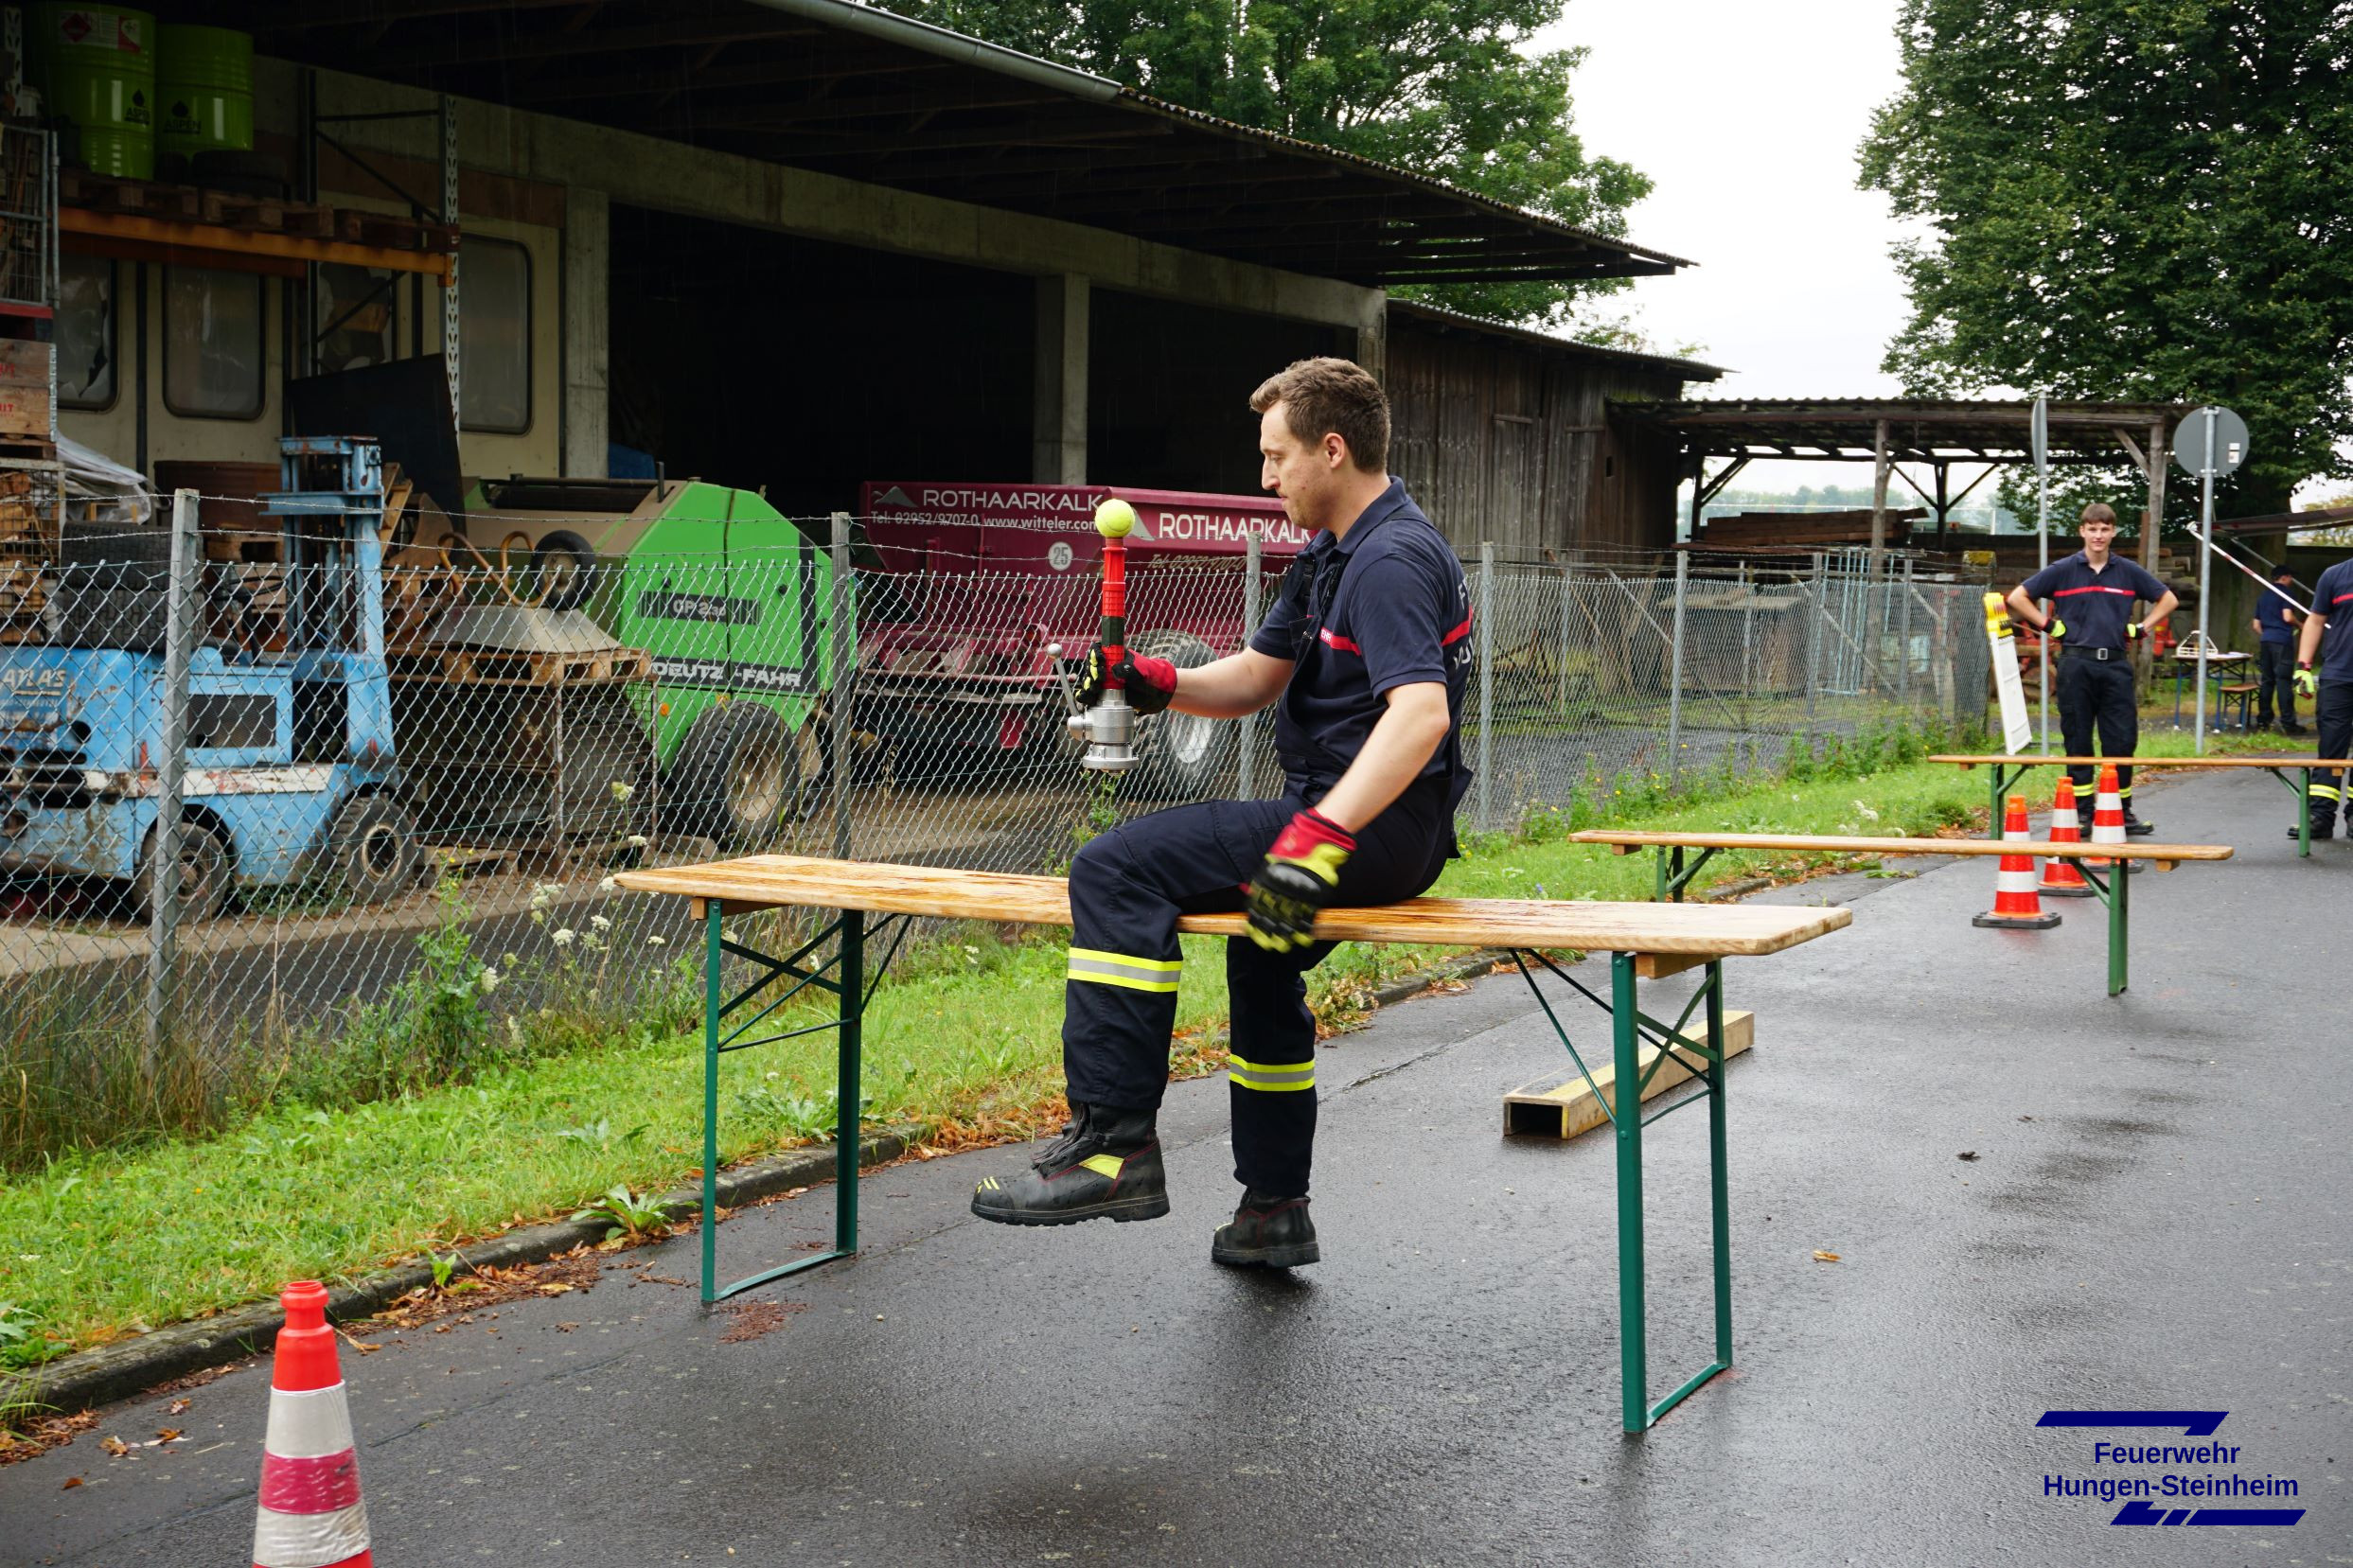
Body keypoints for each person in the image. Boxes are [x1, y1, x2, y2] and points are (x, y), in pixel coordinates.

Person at [969, 357, 1470, 1268]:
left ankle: (1113, 1148)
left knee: (1114, 867)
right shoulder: (1335, 552)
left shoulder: (1392, 561)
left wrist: (1318, 838)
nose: (1266, 477)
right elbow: (1256, 678)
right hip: (1363, 822)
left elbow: (1420, 715)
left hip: (1368, 826)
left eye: (1277, 457)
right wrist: (1156, 683)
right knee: (1260, 952)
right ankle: (1273, 1208)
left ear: (1332, 448)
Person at [2007, 503, 2178, 836]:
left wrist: (2142, 628)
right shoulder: (2064, 569)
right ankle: (2083, 813)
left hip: (2115, 664)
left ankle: (2121, 811)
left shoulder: (2128, 571)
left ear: (2113, 532)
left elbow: (2167, 599)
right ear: (2082, 531)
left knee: (2122, 740)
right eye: (2092, 529)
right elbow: (2018, 596)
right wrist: (2048, 625)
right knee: (2078, 738)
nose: (2098, 535)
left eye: (2105, 529)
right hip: (2076, 664)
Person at [2291, 555, 2352, 840]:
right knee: (2330, 749)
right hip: (2338, 675)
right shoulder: (2335, 575)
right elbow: (2315, 621)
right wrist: (2303, 666)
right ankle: (2320, 817)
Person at [2250, 567, 2307, 734]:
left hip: (2266, 640)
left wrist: (2267, 634)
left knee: (2267, 681)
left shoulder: (2264, 596)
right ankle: (2288, 723)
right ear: (2285, 577)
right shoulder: (2286, 594)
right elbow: (2287, 616)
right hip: (2282, 641)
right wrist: (2300, 625)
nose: (2292, 580)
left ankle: (2263, 721)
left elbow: (2256, 625)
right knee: (2283, 681)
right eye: (2291, 577)